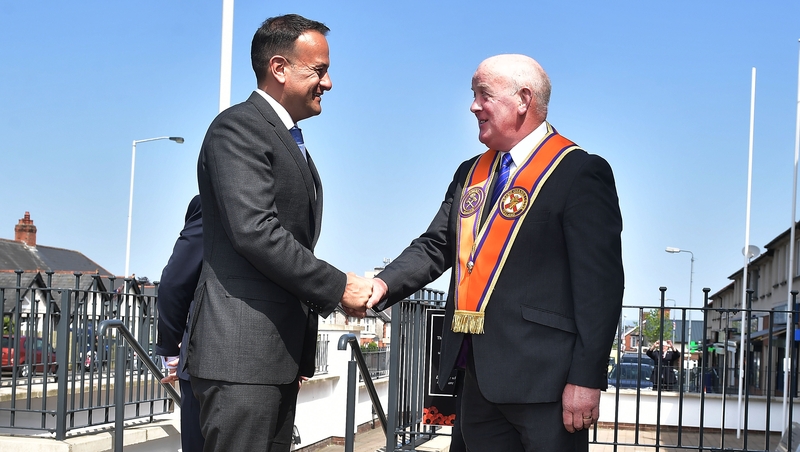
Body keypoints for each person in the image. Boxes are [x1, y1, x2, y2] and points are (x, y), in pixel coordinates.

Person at [367, 54, 624, 452]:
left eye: (483, 94)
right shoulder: (470, 173)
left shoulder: (579, 172)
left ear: (523, 99)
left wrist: (587, 377)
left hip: (547, 385)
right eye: (473, 94)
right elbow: (436, 245)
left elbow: (600, 287)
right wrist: (381, 285)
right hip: (476, 380)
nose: (473, 106)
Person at [185, 14, 373, 452]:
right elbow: (256, 231)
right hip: (241, 358)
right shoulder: (238, 127)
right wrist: (339, 286)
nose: (328, 83)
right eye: (319, 70)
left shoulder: (283, 136)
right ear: (279, 68)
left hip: (270, 358)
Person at [155, 195, 204, 452]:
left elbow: (174, 282)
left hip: (206, 365)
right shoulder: (287, 203)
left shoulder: (212, 202)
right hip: (275, 366)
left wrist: (173, 353)